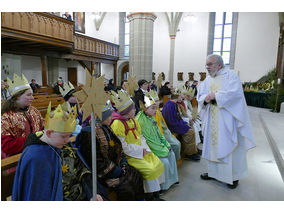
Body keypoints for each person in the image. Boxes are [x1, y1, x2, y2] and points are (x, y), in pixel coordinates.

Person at [197, 54, 256, 189]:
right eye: (206, 64)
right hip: (212, 117)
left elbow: (235, 95)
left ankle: (233, 177)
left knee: (228, 145)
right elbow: (200, 95)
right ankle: (213, 173)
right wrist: (204, 98)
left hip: (227, 119)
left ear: (219, 64)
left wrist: (216, 96)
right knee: (213, 147)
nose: (207, 67)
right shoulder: (207, 79)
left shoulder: (231, 76)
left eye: (210, 64)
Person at [79, 103, 144, 201]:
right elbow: (96, 161)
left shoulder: (106, 127)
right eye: (109, 115)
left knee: (136, 174)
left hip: (116, 167)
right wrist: (117, 171)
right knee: (127, 186)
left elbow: (119, 148)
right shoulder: (89, 133)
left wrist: (123, 163)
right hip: (104, 173)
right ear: (102, 117)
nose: (112, 117)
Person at [12, 103, 77, 200]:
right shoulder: (34, 157)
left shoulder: (57, 144)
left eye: (69, 135)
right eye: (64, 136)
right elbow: (34, 195)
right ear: (49, 133)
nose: (68, 140)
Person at [110, 90, 165, 201]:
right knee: (149, 169)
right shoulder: (117, 124)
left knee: (157, 162)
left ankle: (155, 192)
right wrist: (140, 151)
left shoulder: (133, 120)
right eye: (133, 109)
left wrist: (145, 149)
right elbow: (122, 146)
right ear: (126, 111)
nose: (136, 110)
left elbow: (141, 137)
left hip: (141, 150)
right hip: (131, 155)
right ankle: (149, 195)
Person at [136, 94, 179, 191]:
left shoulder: (152, 117)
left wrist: (166, 144)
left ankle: (172, 180)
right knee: (164, 161)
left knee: (171, 154)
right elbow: (148, 141)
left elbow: (160, 134)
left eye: (155, 108)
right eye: (153, 108)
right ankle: (164, 186)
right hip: (150, 149)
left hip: (158, 146)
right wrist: (162, 149)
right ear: (145, 109)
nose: (155, 111)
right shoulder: (140, 120)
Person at [1, 74, 43, 158]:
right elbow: (7, 146)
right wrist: (31, 140)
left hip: (38, 154)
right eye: (28, 95)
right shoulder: (6, 117)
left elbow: (42, 129)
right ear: (17, 97)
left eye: (32, 94)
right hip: (18, 159)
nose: (32, 98)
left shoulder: (34, 111)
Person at [162, 90, 200, 161]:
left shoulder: (174, 104)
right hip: (172, 126)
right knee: (190, 131)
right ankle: (188, 154)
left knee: (191, 129)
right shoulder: (170, 105)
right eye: (180, 97)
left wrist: (184, 123)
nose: (182, 98)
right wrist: (183, 124)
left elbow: (178, 117)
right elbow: (171, 121)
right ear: (177, 96)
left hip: (175, 124)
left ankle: (193, 151)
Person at [147, 90, 181, 161]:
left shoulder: (158, 110)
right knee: (176, 145)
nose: (158, 102)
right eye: (155, 101)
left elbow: (163, 123)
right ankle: (175, 160)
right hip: (161, 134)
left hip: (165, 130)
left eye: (158, 100)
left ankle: (176, 160)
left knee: (178, 143)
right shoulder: (152, 113)